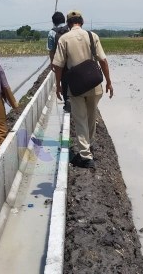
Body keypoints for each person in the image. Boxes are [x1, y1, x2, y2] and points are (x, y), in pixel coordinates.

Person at [52, 10, 113, 169]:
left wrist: (58, 85)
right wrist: (109, 82)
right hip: (94, 84)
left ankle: (85, 156)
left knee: (80, 119)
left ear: (68, 23)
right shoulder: (92, 36)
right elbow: (103, 61)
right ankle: (89, 146)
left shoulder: (64, 39)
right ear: (82, 21)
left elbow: (57, 66)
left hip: (77, 86)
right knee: (91, 117)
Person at [47, 11, 71, 112]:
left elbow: (51, 50)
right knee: (73, 80)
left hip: (60, 62)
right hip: (72, 60)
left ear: (53, 22)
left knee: (63, 81)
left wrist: (52, 62)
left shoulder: (52, 32)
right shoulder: (70, 29)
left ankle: (67, 102)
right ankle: (75, 99)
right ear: (64, 20)